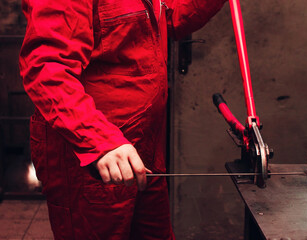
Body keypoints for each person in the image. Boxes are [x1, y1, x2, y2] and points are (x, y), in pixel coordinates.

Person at [19, 0, 226, 239]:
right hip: (91, 154)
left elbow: (168, 20)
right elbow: (47, 69)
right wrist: (99, 140)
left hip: (141, 148)